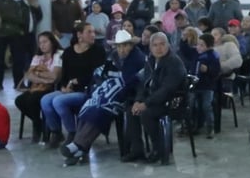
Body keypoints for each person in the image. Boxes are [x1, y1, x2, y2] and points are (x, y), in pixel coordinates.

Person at [59, 29, 146, 165]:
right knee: (89, 105)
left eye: (125, 45)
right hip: (108, 92)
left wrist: (111, 87)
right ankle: (79, 148)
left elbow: (131, 82)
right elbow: (101, 73)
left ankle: (78, 145)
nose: (122, 49)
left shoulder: (137, 59)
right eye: (119, 46)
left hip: (127, 96)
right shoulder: (113, 56)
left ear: (131, 45)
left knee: (100, 109)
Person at [124, 32, 188, 165]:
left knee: (146, 114)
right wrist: (138, 100)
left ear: (168, 45)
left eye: (162, 44)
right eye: (155, 45)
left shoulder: (174, 62)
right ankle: (137, 150)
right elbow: (144, 84)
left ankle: (159, 149)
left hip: (173, 102)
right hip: (156, 100)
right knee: (131, 110)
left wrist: (146, 104)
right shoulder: (151, 60)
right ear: (151, 48)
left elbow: (167, 90)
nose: (159, 48)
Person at [40, 23, 106, 148]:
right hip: (69, 88)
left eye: (93, 32)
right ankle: (56, 131)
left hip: (87, 90)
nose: (93, 35)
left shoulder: (98, 51)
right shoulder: (69, 52)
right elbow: (64, 74)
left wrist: (78, 81)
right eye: (89, 32)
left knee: (58, 101)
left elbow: (97, 75)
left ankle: (73, 133)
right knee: (45, 100)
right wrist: (64, 87)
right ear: (79, 35)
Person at [13, 32, 63, 143]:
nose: (42, 45)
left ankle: (39, 127)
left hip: (52, 88)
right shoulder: (37, 57)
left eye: (45, 42)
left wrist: (38, 73)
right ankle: (39, 123)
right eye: (40, 43)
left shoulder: (59, 55)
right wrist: (44, 78)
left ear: (52, 42)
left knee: (33, 100)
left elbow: (54, 77)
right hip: (37, 87)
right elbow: (30, 76)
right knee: (19, 100)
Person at [0, 0, 27, 90]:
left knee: (18, 60)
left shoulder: (17, 4)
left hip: (15, 34)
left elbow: (20, 19)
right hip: (1, 34)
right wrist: (9, 18)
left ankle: (18, 83)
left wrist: (6, 17)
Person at [191, 33, 221, 138]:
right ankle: (195, 126)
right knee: (193, 105)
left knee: (206, 106)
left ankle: (210, 128)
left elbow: (216, 72)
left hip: (208, 86)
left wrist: (208, 69)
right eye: (198, 44)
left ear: (209, 46)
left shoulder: (213, 56)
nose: (198, 47)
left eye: (202, 45)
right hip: (196, 85)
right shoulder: (197, 55)